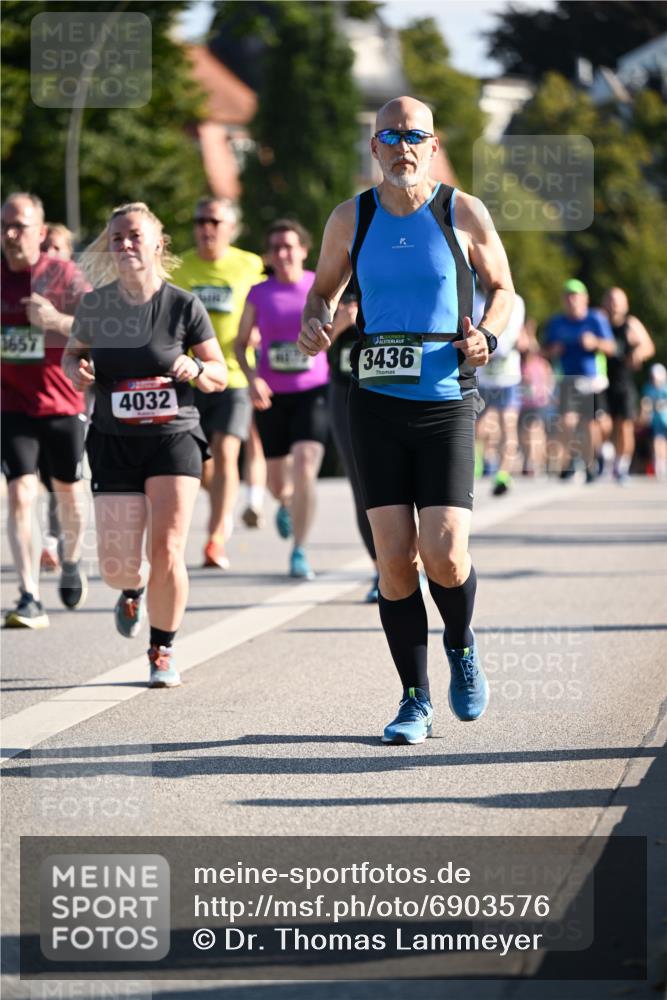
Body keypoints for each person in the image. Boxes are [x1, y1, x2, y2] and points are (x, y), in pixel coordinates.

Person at [298, 96, 515, 744]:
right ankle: (413, 699)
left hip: (446, 398)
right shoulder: (350, 217)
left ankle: (460, 641)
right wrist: (316, 320)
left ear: (432, 143)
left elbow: (505, 290)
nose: (401, 146)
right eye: (388, 136)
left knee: (444, 553)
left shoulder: (460, 211)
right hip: (374, 402)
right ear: (373, 148)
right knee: (395, 561)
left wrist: (490, 337)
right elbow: (322, 291)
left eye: (412, 135)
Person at [62, 202, 227, 687]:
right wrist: (79, 371)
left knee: (169, 548)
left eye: (134, 235)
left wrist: (197, 369)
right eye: (117, 239)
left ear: (158, 243)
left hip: (174, 436)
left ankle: (162, 649)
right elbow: (73, 359)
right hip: (113, 441)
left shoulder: (183, 305)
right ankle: (130, 589)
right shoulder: (95, 305)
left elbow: (218, 372)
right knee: (118, 564)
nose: (126, 245)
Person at [1, 192, 90, 628]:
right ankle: (29, 594)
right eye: (4, 226)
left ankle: (71, 561)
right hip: (11, 406)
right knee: (20, 493)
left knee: (68, 492)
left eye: (20, 225)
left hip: (62, 402)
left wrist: (55, 320)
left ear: (40, 230)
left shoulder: (63, 274)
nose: (11, 234)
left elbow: (101, 321)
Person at [171, 198, 264, 569]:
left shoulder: (249, 264)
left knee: (226, 451)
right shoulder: (179, 268)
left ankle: (215, 538)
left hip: (235, 375)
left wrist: (258, 333)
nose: (205, 227)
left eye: (213, 220)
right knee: (203, 462)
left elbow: (264, 309)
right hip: (190, 376)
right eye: (199, 220)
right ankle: (221, 509)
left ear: (231, 227)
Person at [235, 219, 329, 581]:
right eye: (276, 247)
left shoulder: (317, 286)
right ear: (269, 255)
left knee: (305, 463)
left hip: (313, 391)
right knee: (277, 483)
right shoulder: (259, 293)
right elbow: (240, 344)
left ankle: (300, 550)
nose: (283, 253)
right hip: (271, 395)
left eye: (289, 246)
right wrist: (252, 379)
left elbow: (332, 330)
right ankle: (286, 504)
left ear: (303, 251)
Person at [327, 285, 379, 601]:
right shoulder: (334, 283)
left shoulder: (393, 266)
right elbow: (312, 347)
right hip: (343, 393)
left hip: (387, 390)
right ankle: (381, 569)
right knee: (363, 488)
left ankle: (412, 561)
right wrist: (342, 324)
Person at [543, 279, 616, 483]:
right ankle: (573, 459)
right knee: (566, 422)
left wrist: (595, 342)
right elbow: (544, 350)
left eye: (575, 296)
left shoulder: (596, 319)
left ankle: (592, 461)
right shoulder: (556, 322)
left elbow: (612, 348)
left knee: (591, 424)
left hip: (592, 379)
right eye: (567, 296)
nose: (571, 300)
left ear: (585, 299)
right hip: (567, 378)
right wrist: (553, 350)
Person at [601, 287, 655, 484]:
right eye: (610, 300)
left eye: (617, 300)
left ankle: (621, 466)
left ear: (625, 304)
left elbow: (649, 346)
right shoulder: (600, 322)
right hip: (601, 381)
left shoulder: (630, 324)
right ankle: (605, 459)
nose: (614, 304)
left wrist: (638, 352)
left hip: (623, 382)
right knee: (603, 424)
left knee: (625, 426)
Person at [474, 287, 525, 495]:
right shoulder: (474, 298)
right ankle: (479, 463)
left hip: (508, 375)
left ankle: (503, 474)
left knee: (508, 426)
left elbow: (513, 334)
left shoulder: (516, 300)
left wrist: (493, 347)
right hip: (483, 377)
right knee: (478, 427)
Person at [641, 363, 667, 481]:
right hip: (656, 419)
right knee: (657, 440)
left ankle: (663, 462)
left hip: (665, 418)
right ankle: (659, 463)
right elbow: (646, 403)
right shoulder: (648, 388)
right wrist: (645, 414)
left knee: (664, 442)